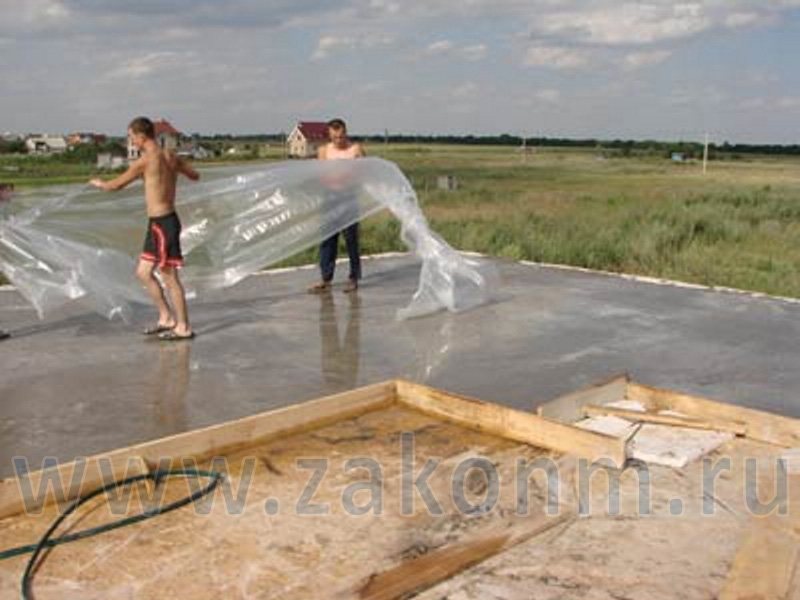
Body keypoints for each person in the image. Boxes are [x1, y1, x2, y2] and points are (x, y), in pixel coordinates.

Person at [90, 116, 199, 341]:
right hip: (160, 223)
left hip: (163, 224)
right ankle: (166, 318)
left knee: (169, 277)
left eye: (131, 137)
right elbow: (194, 175)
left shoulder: (145, 161)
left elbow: (116, 185)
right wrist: (169, 177)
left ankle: (183, 327)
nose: (131, 142)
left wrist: (100, 184)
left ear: (141, 136)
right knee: (143, 272)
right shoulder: (171, 156)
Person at [308, 118, 365, 294]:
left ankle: (353, 278)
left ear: (345, 133)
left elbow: (365, 173)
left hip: (349, 198)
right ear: (330, 136)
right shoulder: (324, 151)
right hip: (330, 198)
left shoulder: (355, 150)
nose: (338, 140)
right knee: (327, 240)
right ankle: (326, 279)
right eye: (334, 137)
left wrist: (347, 175)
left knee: (351, 240)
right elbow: (321, 176)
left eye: (341, 136)